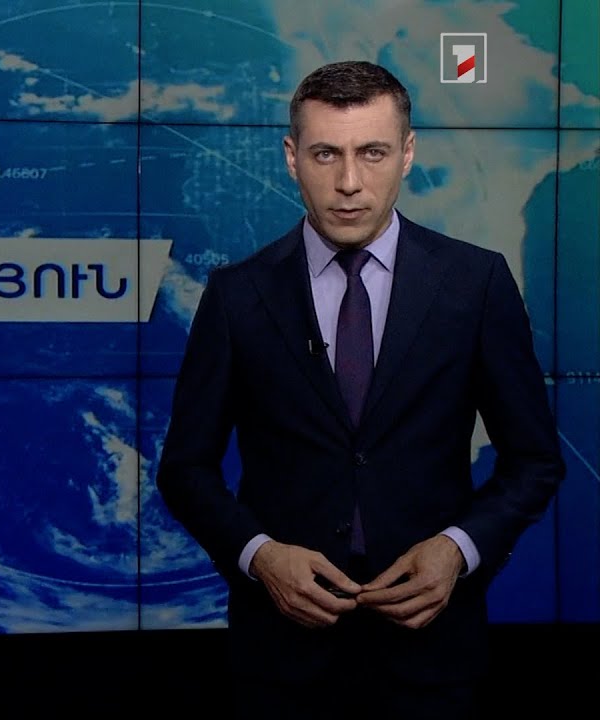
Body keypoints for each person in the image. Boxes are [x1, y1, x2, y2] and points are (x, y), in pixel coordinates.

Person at [154, 60, 566, 720]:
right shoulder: (237, 296)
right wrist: (261, 557)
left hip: (433, 656)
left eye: (372, 152)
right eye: (326, 154)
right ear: (292, 158)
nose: (349, 183)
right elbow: (185, 469)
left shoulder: (476, 283)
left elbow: (535, 461)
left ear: (408, 153)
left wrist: (457, 550)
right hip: (281, 660)